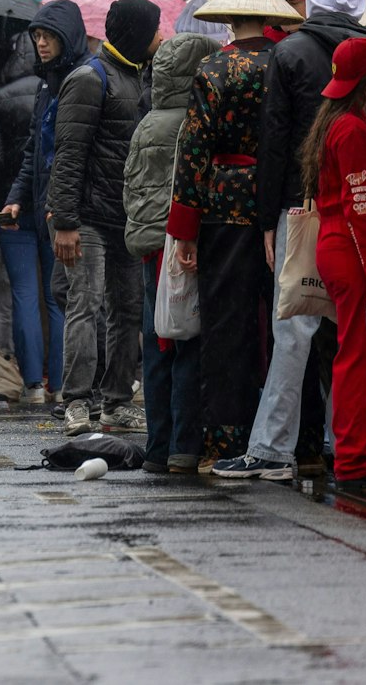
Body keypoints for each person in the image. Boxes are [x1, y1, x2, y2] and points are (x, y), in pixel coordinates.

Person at [220, 0, 366, 479]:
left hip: (300, 205)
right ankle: (344, 436)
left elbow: (275, 141)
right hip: (358, 204)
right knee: (349, 329)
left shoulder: (289, 54)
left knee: (293, 326)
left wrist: (268, 219)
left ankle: (271, 447)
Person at [168, 0, 297, 467]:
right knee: (284, 322)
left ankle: (226, 440)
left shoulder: (214, 69)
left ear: (229, 19)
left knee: (227, 326)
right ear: (268, 17)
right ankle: (295, 440)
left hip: (224, 207)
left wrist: (184, 227)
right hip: (280, 200)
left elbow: (194, 149)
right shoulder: (287, 63)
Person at [47, 0, 160, 437]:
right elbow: (69, 155)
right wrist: (67, 222)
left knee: (127, 311)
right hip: (88, 219)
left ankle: (115, 402)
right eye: (153, 29)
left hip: (126, 219)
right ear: (136, 33)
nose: (160, 37)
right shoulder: (89, 79)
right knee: (85, 305)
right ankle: (76, 401)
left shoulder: (136, 76)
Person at [302, 37, 366, 489]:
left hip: (342, 250)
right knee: (364, 355)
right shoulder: (353, 129)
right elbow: (364, 209)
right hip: (356, 256)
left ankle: (359, 450)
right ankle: (356, 458)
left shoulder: (346, 123)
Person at [122, 33, 218, 474]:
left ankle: (157, 447)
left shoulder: (148, 122)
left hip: (146, 246)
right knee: (186, 340)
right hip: (179, 244)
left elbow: (131, 186)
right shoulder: (195, 122)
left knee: (157, 343)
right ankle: (184, 445)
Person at [0, 2, 88, 406]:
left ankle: (61, 384)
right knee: (50, 295)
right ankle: (40, 383)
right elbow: (35, 150)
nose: (41, 43)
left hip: (67, 210)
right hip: (42, 205)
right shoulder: (46, 84)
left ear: (66, 36)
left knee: (60, 297)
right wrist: (17, 198)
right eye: (36, 36)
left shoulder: (79, 80)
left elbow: (75, 152)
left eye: (48, 36)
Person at [0, 34, 54, 405]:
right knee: (56, 298)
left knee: (23, 295)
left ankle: (32, 385)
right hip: (48, 204)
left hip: (12, 207)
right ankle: (59, 381)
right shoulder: (57, 92)